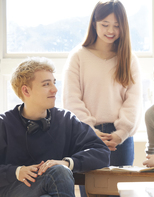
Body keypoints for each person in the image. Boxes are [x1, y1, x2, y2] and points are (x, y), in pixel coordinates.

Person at [62, 0, 142, 196]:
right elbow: (72, 100)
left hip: (120, 141)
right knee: (90, 191)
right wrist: (90, 132)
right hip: (86, 138)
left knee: (120, 192)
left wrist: (121, 133)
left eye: (116, 25)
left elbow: (134, 100)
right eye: (105, 24)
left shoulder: (129, 58)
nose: (110, 30)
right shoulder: (78, 56)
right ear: (94, 23)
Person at [0, 57, 110, 197]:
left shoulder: (66, 120)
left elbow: (101, 152)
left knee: (58, 175)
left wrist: (67, 163)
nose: (55, 89)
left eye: (54, 83)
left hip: (50, 190)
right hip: (13, 190)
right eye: (46, 84)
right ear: (26, 91)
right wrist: (16, 171)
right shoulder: (3, 123)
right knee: (59, 171)